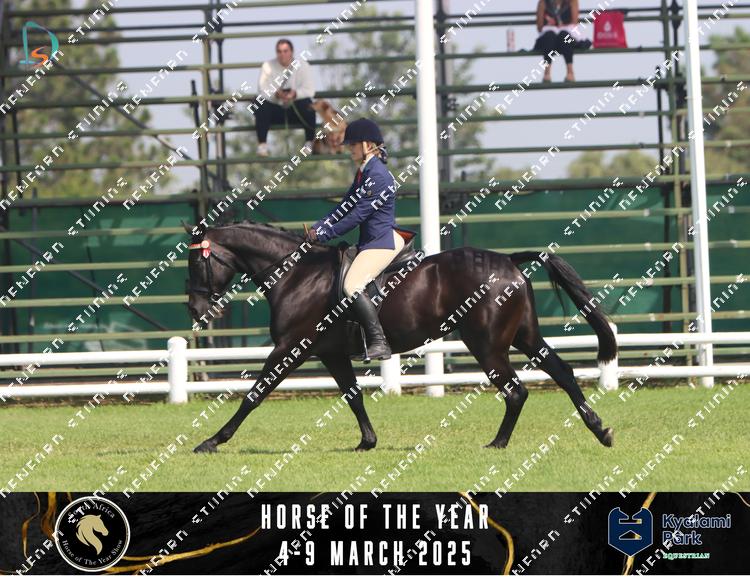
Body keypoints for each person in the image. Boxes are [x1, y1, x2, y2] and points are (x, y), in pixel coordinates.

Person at [306, 118, 417, 362]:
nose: (349, 149)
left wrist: (327, 234)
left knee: (352, 285)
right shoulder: (364, 172)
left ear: (368, 145)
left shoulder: (378, 175)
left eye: (353, 144)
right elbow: (345, 206)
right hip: (370, 241)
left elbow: (358, 215)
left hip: (381, 242)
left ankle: (379, 342)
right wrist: (319, 226)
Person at [255, 38, 316, 156]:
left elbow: (310, 90)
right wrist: (276, 94)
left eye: (285, 51)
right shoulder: (267, 66)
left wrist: (295, 94)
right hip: (275, 110)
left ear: (292, 52)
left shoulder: (303, 65)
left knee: (308, 104)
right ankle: (262, 145)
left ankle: (309, 143)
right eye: (279, 51)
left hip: (295, 109)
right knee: (259, 103)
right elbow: (262, 90)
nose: (282, 54)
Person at [534, 0, 580, 82]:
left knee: (564, 35)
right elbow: (540, 27)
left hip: (566, 35)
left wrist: (561, 25)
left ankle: (570, 72)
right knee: (549, 36)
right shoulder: (543, 3)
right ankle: (547, 73)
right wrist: (551, 24)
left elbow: (574, 23)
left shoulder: (572, 2)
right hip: (550, 37)